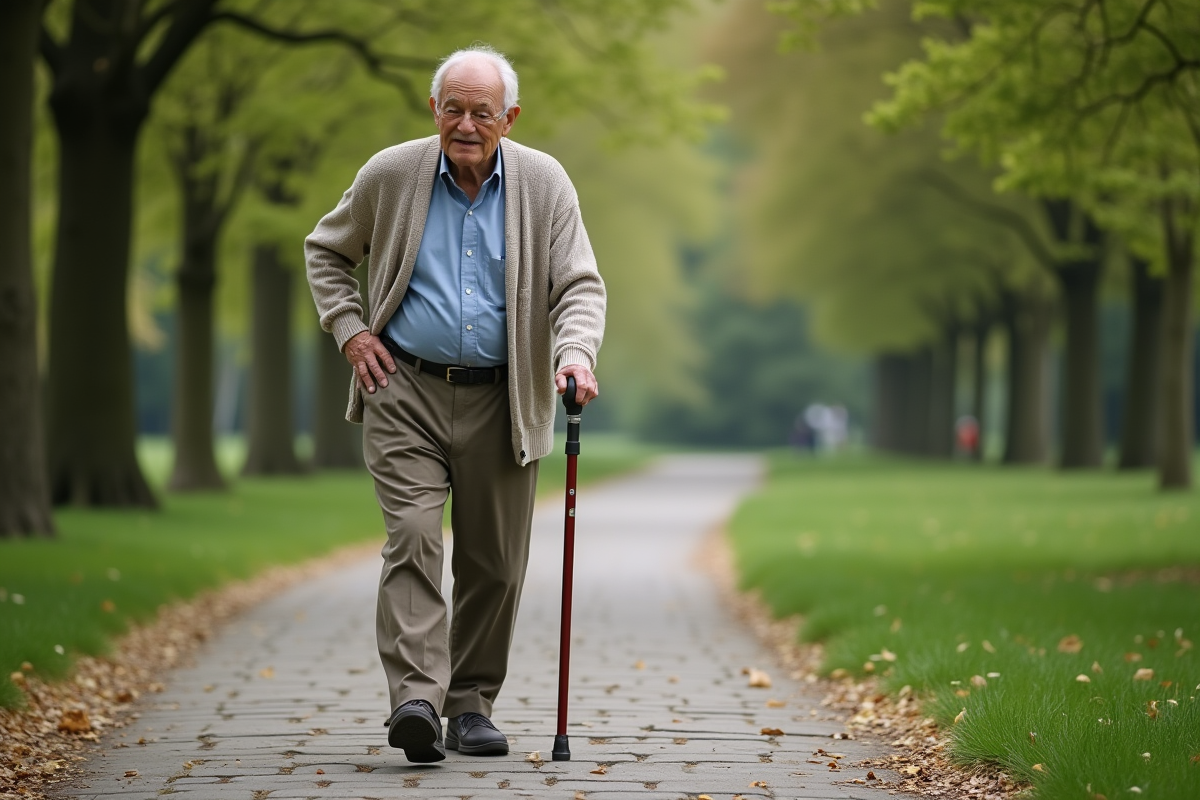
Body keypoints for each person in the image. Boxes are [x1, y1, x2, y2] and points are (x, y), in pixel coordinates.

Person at [304, 45, 605, 764]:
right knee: (412, 536)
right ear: (433, 110)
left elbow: (578, 285)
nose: (466, 124)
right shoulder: (391, 173)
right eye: (453, 108)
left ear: (510, 117)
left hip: (505, 395)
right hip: (402, 386)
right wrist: (350, 332)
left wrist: (574, 353)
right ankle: (415, 697)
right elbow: (325, 250)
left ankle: (470, 706)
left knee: (493, 562)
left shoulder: (543, 183)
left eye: (482, 111)